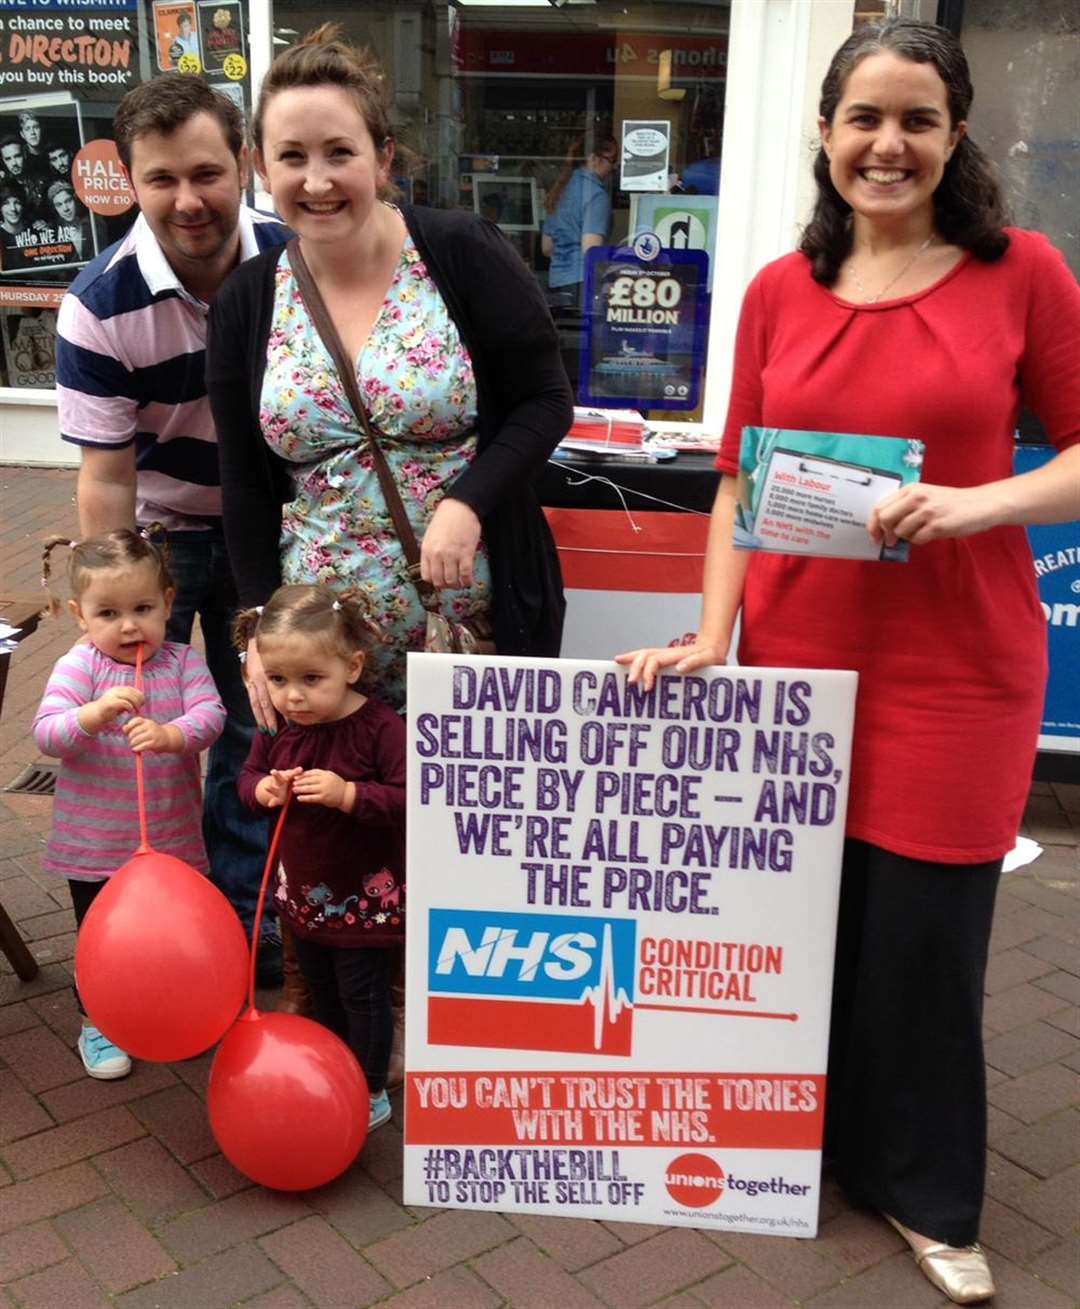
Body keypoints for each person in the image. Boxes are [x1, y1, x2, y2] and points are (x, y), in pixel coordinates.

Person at [618, 18, 1080, 1307]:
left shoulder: (1022, 273)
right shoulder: (776, 289)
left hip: (958, 675)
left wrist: (975, 504)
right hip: (799, 669)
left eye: (917, 120)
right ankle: (798, 1151)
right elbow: (732, 484)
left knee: (926, 945)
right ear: (824, 134)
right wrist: (717, 632)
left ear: (955, 135)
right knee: (802, 930)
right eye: (864, 118)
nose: (888, 144)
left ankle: (930, 1194)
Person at [207, 21, 569, 1061]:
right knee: (345, 829)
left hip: (472, 615)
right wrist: (252, 639)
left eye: (339, 153)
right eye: (292, 157)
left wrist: (467, 498)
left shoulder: (456, 253)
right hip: (331, 649)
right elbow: (243, 479)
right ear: (257, 171)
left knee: (470, 820)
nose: (318, 180)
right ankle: (356, 1041)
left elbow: (545, 400)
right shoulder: (247, 302)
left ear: (382, 158)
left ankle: (470, 1043)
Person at [54, 74, 291, 984]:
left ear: (243, 163)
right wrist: (109, 594)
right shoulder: (99, 304)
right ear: (131, 181)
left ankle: (238, 919)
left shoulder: (294, 256)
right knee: (140, 726)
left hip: (267, 529)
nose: (187, 201)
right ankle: (143, 924)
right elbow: (106, 475)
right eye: (161, 180)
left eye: (206, 172)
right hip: (164, 533)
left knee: (249, 724)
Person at [33, 529, 225, 1080]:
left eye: (143, 608)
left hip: (171, 841)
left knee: (169, 935)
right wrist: (92, 715)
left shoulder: (183, 662)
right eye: (108, 613)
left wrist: (171, 735)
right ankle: (100, 1020)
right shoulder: (80, 667)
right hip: (96, 845)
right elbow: (47, 733)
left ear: (168, 602)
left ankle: (170, 1011)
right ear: (79, 614)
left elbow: (211, 717)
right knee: (101, 937)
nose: (128, 626)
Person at [235, 584, 405, 1132]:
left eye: (311, 680)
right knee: (320, 989)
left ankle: (372, 1084)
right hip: (301, 898)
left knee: (365, 996)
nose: (294, 698)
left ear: (352, 666)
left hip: (365, 902)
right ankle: (333, 1069)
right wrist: (264, 792)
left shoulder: (380, 728)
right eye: (279, 681)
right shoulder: (280, 728)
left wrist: (348, 794)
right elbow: (247, 779)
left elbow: (412, 799)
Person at [541, 134, 617, 306]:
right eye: (611, 160)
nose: (613, 167)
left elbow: (546, 247)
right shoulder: (596, 195)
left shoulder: (560, 188)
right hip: (582, 282)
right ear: (593, 159)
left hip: (557, 281)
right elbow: (591, 250)